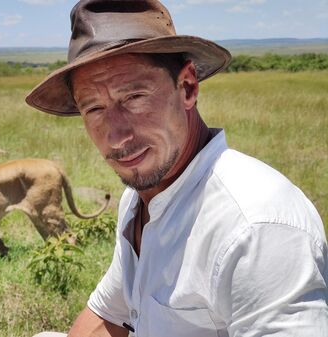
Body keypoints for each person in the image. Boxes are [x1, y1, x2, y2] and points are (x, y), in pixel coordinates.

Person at [26, 0, 328, 336]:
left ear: (187, 87)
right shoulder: (139, 198)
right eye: (94, 108)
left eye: (134, 97)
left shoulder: (255, 226)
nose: (116, 137)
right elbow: (110, 314)